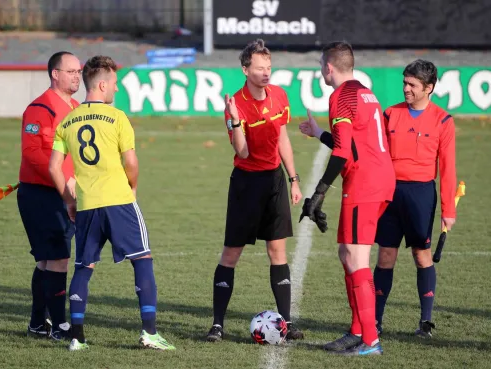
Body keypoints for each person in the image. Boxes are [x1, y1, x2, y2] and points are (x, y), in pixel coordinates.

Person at [48, 55, 176, 351]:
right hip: (118, 201)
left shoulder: (67, 121)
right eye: (115, 84)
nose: (116, 90)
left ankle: (77, 338)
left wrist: (69, 200)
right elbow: (131, 161)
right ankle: (150, 333)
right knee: (142, 259)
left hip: (88, 205)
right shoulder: (118, 117)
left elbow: (54, 167)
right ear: (102, 84)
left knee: (83, 266)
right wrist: (133, 187)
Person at [298, 41, 395, 356]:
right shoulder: (364, 92)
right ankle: (357, 330)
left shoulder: (340, 96)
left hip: (365, 184)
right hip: (379, 179)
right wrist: (318, 133)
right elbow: (351, 145)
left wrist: (319, 193)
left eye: (320, 67)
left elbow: (342, 154)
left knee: (356, 259)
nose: (321, 72)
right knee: (346, 253)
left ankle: (370, 340)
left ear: (328, 67)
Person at [206, 39, 304, 343]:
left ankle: (285, 323)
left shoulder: (280, 96)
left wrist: (294, 179)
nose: (266, 73)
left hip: (274, 182)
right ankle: (217, 325)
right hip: (246, 184)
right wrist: (235, 120)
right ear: (245, 69)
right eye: (260, 68)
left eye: (269, 67)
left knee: (277, 251)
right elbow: (242, 151)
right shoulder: (235, 104)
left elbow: (283, 140)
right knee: (231, 253)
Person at [371, 60, 457, 338]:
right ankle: (375, 321)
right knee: (386, 255)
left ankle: (425, 322)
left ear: (428, 88)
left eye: (412, 85)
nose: (406, 89)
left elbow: (447, 168)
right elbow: (376, 154)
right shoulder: (389, 114)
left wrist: (449, 209)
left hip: (420, 194)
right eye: (405, 83)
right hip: (389, 193)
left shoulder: (443, 120)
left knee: (421, 255)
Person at [17, 51, 81, 341]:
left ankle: (37, 324)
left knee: (46, 261)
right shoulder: (41, 108)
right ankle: (59, 326)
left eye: (79, 71)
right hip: (43, 193)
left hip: (65, 193)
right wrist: (63, 184)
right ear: (55, 74)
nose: (77, 76)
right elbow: (32, 154)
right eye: (70, 71)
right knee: (57, 259)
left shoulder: (77, 107)